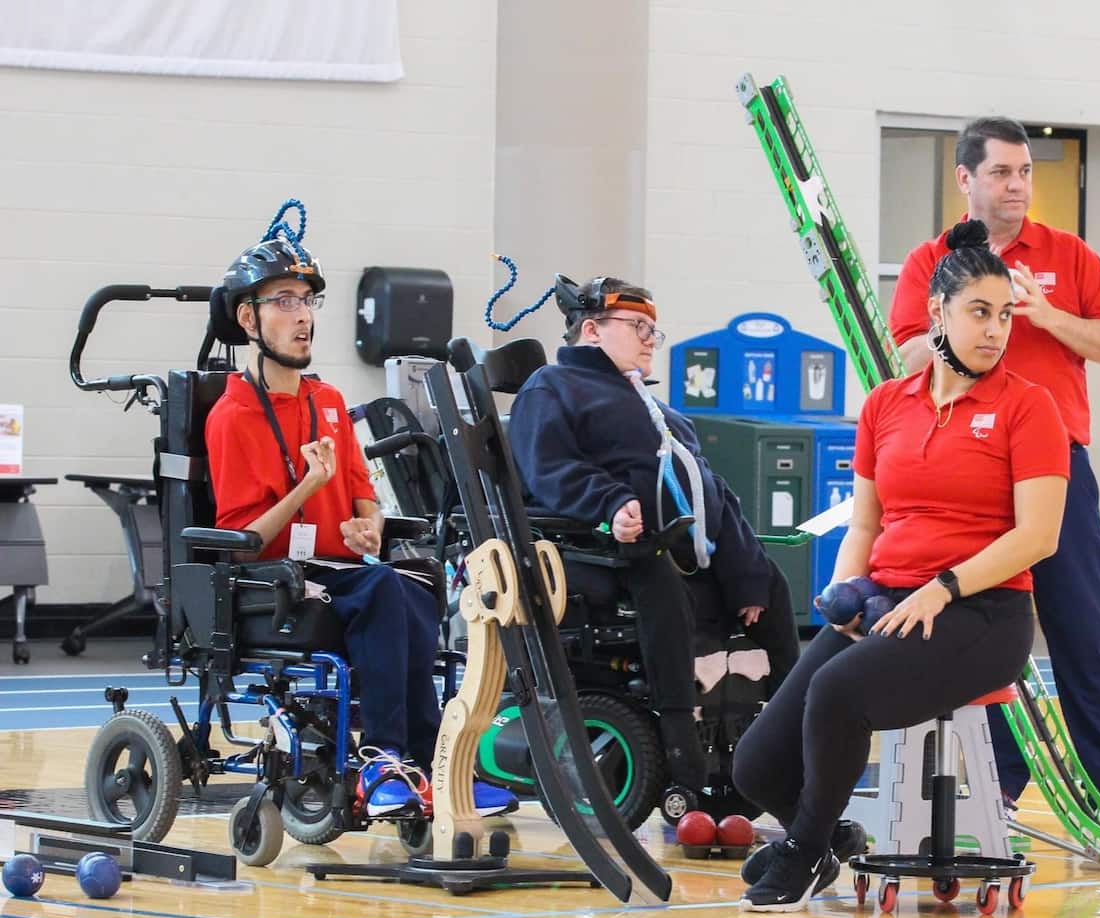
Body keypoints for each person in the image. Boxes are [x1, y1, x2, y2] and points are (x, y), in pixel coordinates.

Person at [732, 221, 1070, 912]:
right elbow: (865, 523)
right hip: (886, 602)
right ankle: (829, 835)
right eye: (980, 312)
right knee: (755, 763)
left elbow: (1038, 536)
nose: (996, 330)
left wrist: (943, 588)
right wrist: (844, 592)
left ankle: (804, 852)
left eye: (1006, 315)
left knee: (838, 693)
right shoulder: (887, 404)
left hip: (983, 613)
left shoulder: (1029, 407)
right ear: (938, 313)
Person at [888, 117, 1100, 832]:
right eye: (1001, 172)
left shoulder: (1066, 254)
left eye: (1024, 171)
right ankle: (997, 784)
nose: (1017, 185)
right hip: (969, 470)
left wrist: (1047, 315)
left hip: (1055, 466)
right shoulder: (930, 261)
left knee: (1082, 625)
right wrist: (966, 312)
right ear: (965, 179)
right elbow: (903, 359)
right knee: (992, 630)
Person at [204, 233, 513, 820]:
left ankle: (432, 762)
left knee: (417, 579)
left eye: (307, 301)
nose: (303, 316)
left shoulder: (327, 400)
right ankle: (382, 757)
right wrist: (306, 487)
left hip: (341, 568)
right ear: (248, 318)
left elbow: (363, 493)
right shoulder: (232, 414)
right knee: (381, 589)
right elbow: (244, 540)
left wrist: (369, 526)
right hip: (274, 576)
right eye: (285, 301)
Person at [507, 276, 801, 793]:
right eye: (638, 327)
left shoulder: (660, 411)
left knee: (769, 584)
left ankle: (787, 733)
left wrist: (746, 574)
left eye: (653, 331)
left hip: (681, 550)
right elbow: (549, 469)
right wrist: (610, 504)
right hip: (602, 549)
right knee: (656, 571)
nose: (650, 340)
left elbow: (712, 492)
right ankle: (681, 744)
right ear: (592, 330)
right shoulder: (552, 388)